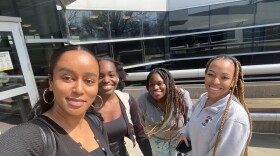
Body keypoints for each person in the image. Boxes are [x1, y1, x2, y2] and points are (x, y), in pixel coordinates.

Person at [0, 45, 113, 156]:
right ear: (51, 82)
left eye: (89, 81)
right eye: (67, 78)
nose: (79, 90)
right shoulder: (31, 137)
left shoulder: (95, 122)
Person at [179, 54, 252, 156]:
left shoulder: (235, 117)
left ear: (233, 82)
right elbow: (191, 119)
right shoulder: (203, 99)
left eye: (224, 77)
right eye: (211, 74)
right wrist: (184, 132)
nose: (215, 81)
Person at [94, 57, 153, 156]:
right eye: (100, 76)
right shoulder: (84, 106)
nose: (106, 80)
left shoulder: (126, 100)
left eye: (111, 75)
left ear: (117, 77)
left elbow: (141, 134)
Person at [137, 67, 192, 156]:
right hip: (156, 141)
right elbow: (140, 123)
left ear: (168, 84)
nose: (155, 87)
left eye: (159, 84)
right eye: (151, 84)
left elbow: (190, 120)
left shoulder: (182, 96)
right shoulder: (143, 100)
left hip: (178, 139)